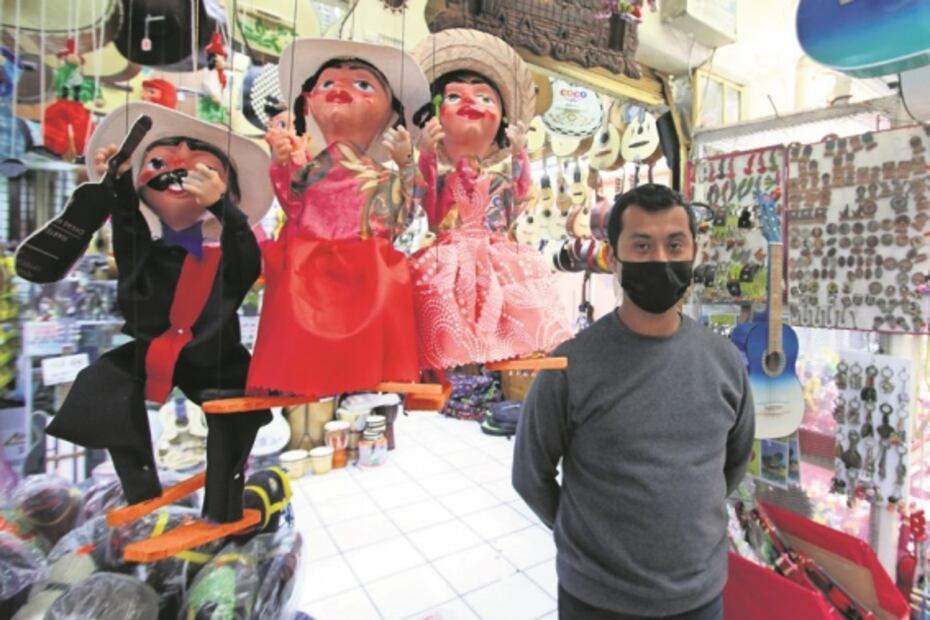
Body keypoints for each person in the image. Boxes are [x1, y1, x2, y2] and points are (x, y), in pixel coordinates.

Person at [513, 183, 755, 620]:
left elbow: (731, 464)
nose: (661, 259)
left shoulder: (724, 362)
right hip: (597, 601)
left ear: (694, 251)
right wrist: (587, 542)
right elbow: (531, 476)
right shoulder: (570, 365)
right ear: (613, 258)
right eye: (642, 246)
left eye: (674, 245)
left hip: (699, 599)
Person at [46, 102, 273, 524]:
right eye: (160, 163)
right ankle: (140, 489)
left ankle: (224, 502)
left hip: (215, 357)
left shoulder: (228, 249)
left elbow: (246, 263)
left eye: (202, 168)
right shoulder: (144, 246)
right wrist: (118, 181)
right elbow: (128, 228)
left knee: (237, 410)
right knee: (99, 388)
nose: (178, 172)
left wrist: (223, 209)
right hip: (146, 349)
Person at [245, 38, 431, 397]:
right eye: (327, 82)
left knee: (384, 287)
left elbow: (404, 213)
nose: (341, 89)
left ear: (389, 112)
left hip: (366, 270)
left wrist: (407, 164)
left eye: (363, 84)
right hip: (308, 268)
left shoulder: (383, 177)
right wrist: (281, 162)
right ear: (308, 101)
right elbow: (292, 202)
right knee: (295, 298)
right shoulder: (307, 169)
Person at [408, 28, 572, 372]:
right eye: (455, 96)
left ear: (502, 121)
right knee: (437, 288)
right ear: (435, 115)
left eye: (485, 97)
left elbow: (519, 199)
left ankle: (514, 344)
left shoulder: (498, 180)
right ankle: (446, 350)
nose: (471, 102)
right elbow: (423, 199)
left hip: (495, 252)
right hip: (449, 255)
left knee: (523, 272)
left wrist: (521, 154)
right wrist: (425, 154)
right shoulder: (440, 179)